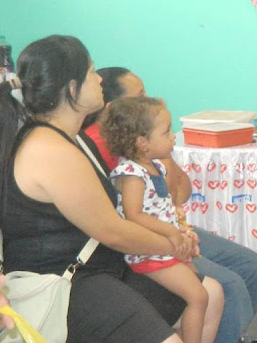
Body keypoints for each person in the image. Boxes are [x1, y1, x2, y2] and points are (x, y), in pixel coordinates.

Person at [0, 35, 224, 343]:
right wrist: (174, 244)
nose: (99, 79)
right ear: (73, 89)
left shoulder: (70, 138)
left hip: (100, 268)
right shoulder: (49, 149)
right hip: (67, 284)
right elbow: (113, 232)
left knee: (210, 295)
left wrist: (175, 238)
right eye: (91, 72)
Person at [83, 67, 257, 343]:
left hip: (170, 229)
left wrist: (180, 229)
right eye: (140, 97)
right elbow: (133, 216)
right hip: (148, 242)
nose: (150, 100)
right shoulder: (118, 157)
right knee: (226, 287)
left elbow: (181, 193)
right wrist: (174, 237)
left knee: (248, 264)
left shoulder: (152, 155)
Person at [103, 96, 219, 343]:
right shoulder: (132, 174)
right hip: (149, 254)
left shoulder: (155, 166)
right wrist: (171, 233)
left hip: (165, 247)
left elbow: (161, 205)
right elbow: (134, 215)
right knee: (198, 297)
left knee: (198, 290)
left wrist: (179, 225)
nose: (173, 137)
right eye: (166, 132)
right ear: (142, 142)